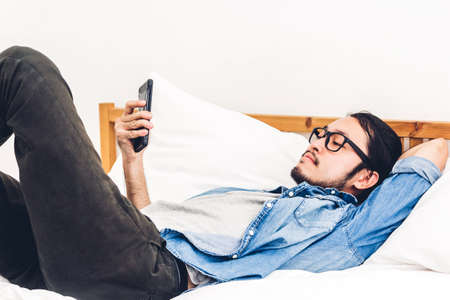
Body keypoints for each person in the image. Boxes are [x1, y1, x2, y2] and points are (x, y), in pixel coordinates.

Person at [0, 46, 447, 300]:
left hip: (151, 270)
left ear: (367, 177)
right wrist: (131, 160)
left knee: (26, 71)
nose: (315, 142)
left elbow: (435, 150)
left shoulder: (347, 229)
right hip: (108, 256)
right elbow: (151, 228)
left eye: (336, 142)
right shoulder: (257, 198)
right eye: (319, 132)